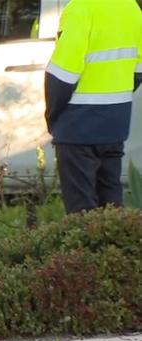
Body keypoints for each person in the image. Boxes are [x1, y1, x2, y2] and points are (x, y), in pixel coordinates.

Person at [44, 0, 142, 214]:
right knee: (111, 206)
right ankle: (113, 246)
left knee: (81, 211)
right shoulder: (131, 8)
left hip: (77, 125)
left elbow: (62, 75)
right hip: (115, 123)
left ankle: (88, 247)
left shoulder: (80, 8)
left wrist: (52, 116)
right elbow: (137, 72)